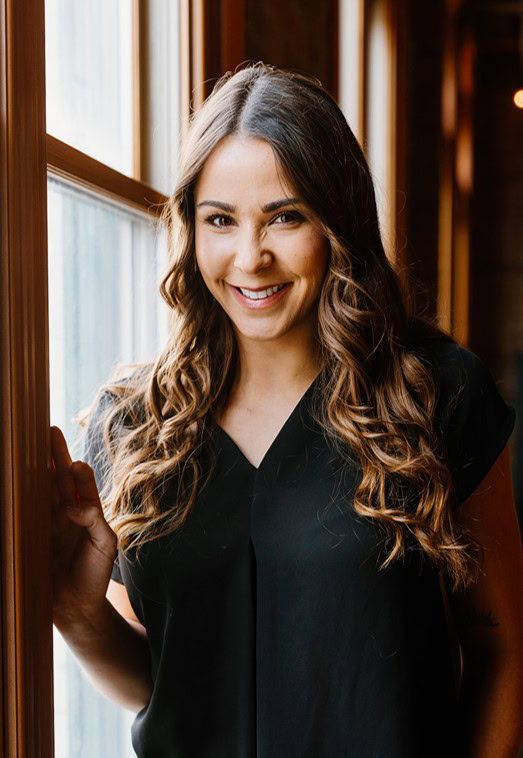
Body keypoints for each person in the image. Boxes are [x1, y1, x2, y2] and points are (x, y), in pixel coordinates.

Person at [50, 62, 523, 757]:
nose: (250, 256)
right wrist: (76, 610)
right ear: (190, 228)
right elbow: (160, 680)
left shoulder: (437, 397)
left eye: (285, 217)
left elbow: (503, 649)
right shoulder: (134, 427)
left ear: (337, 222)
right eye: (220, 220)